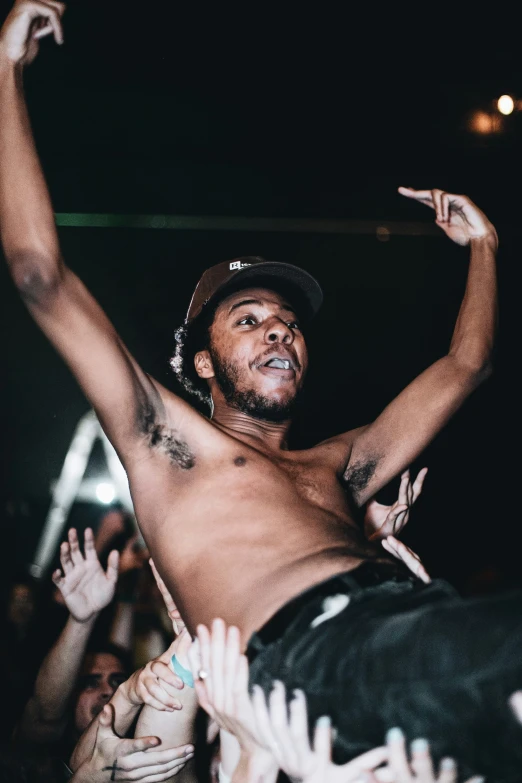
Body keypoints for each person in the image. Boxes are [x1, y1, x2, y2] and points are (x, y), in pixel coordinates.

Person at [0, 1, 516, 779]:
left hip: (410, 619)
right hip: (314, 660)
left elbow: (464, 367)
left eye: (287, 322)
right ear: (203, 363)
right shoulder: (168, 443)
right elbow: (42, 276)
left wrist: (485, 245)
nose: (279, 331)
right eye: (249, 320)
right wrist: (4, 70)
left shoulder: (339, 464)